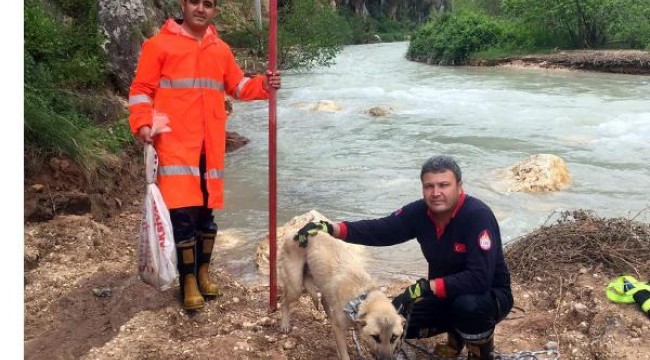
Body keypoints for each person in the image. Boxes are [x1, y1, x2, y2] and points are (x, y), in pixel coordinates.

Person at [128, 0, 281, 311]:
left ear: (215, 11)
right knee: (182, 215)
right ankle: (187, 283)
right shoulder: (158, 45)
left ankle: (203, 272)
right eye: (195, 2)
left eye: (208, 4)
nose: (201, 8)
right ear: (184, 4)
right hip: (174, 144)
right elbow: (141, 89)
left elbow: (238, 86)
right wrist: (143, 124)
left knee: (206, 215)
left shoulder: (220, 49)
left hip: (210, 146)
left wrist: (263, 85)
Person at [295, 155, 513, 359]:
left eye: (444, 185)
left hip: (487, 296)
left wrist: (427, 288)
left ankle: (480, 351)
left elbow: (479, 278)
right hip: (443, 296)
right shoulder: (420, 213)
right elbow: (381, 229)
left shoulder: (477, 216)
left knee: (468, 307)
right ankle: (455, 335)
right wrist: (331, 228)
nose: (436, 192)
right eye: (429, 186)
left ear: (459, 186)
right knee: (392, 322)